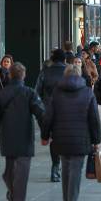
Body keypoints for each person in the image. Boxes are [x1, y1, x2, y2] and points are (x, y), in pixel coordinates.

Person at [0, 62, 45, 201]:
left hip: (7, 138)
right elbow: (41, 114)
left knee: (10, 170)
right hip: (25, 139)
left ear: (10, 75)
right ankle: (16, 195)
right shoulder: (30, 93)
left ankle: (13, 192)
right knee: (22, 175)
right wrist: (47, 134)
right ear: (24, 76)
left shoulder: (0, 95)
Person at [41, 64, 101, 201]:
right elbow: (94, 119)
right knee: (75, 173)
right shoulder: (87, 92)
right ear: (79, 75)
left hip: (61, 140)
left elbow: (48, 117)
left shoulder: (56, 93)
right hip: (80, 141)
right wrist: (96, 141)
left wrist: (45, 136)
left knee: (66, 171)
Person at [35, 49, 68, 182]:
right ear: (65, 59)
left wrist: (42, 110)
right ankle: (66, 166)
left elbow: (36, 92)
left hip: (50, 111)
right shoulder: (69, 72)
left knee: (54, 140)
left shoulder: (44, 72)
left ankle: (55, 167)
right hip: (67, 111)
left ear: (52, 60)